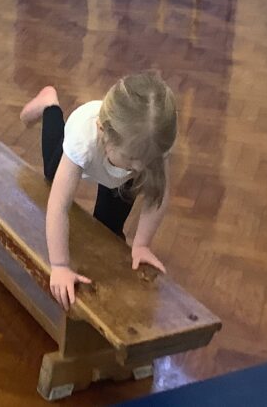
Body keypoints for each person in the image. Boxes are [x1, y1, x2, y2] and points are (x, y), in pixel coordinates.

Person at [19, 74, 178, 311]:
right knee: (51, 177)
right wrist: (60, 265)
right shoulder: (83, 140)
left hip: (117, 168)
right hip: (85, 152)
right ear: (103, 133)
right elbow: (58, 206)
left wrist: (142, 244)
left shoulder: (153, 146)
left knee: (109, 227)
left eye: (147, 161)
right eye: (133, 159)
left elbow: (157, 197)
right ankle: (49, 104)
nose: (140, 168)